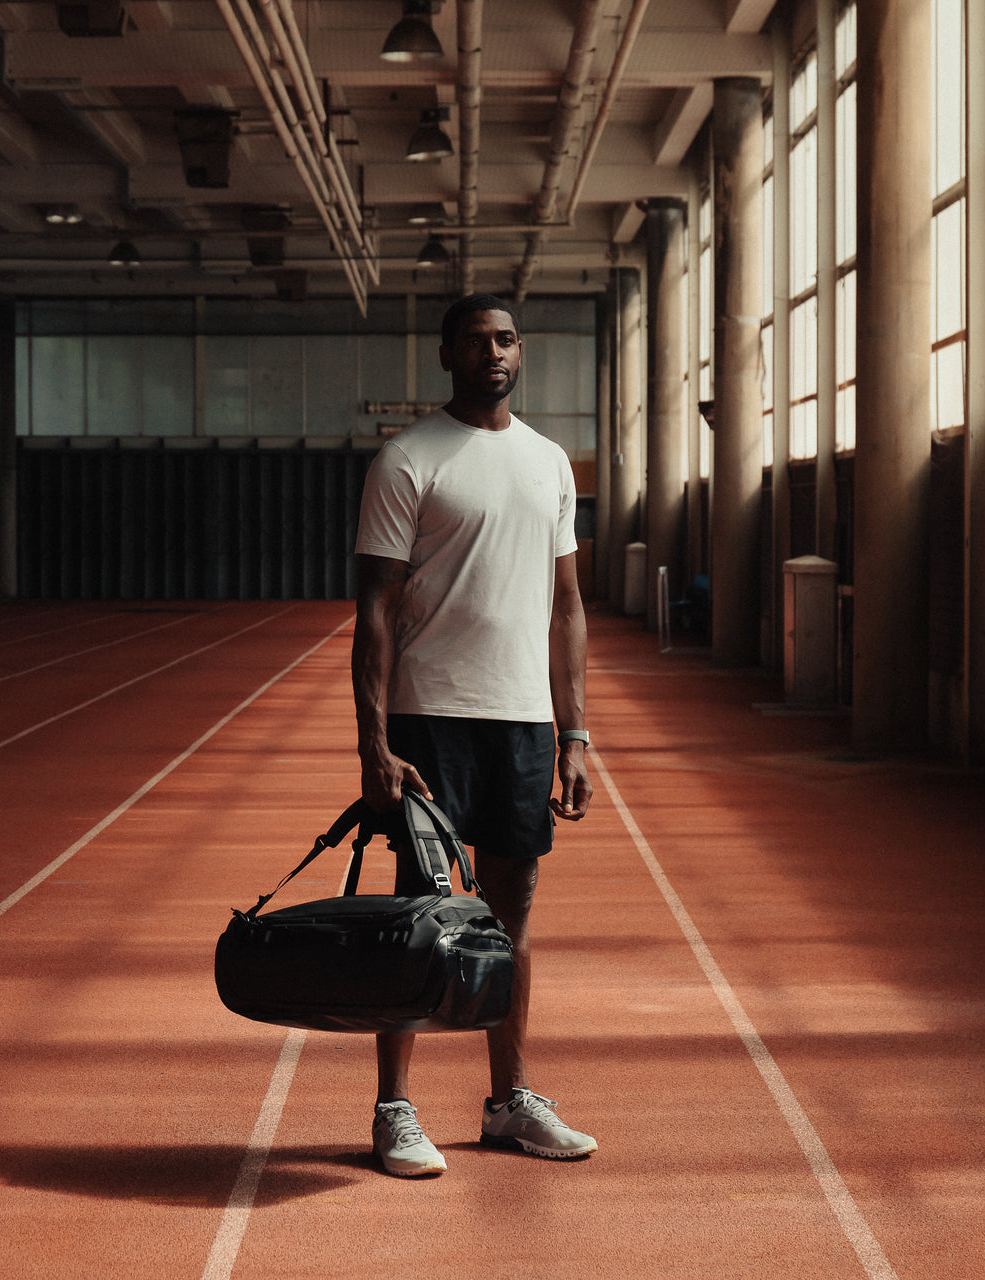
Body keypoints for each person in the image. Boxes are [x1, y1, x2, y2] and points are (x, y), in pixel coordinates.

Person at [351, 293, 596, 1178]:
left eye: (506, 340)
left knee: (511, 914)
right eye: (476, 341)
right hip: (431, 720)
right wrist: (373, 744)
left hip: (524, 723)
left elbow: (567, 607)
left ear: (519, 351)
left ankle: (509, 1102)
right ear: (448, 353)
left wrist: (575, 734)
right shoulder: (408, 459)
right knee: (421, 916)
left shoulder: (549, 462)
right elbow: (373, 610)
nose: (493, 353)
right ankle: (394, 1110)